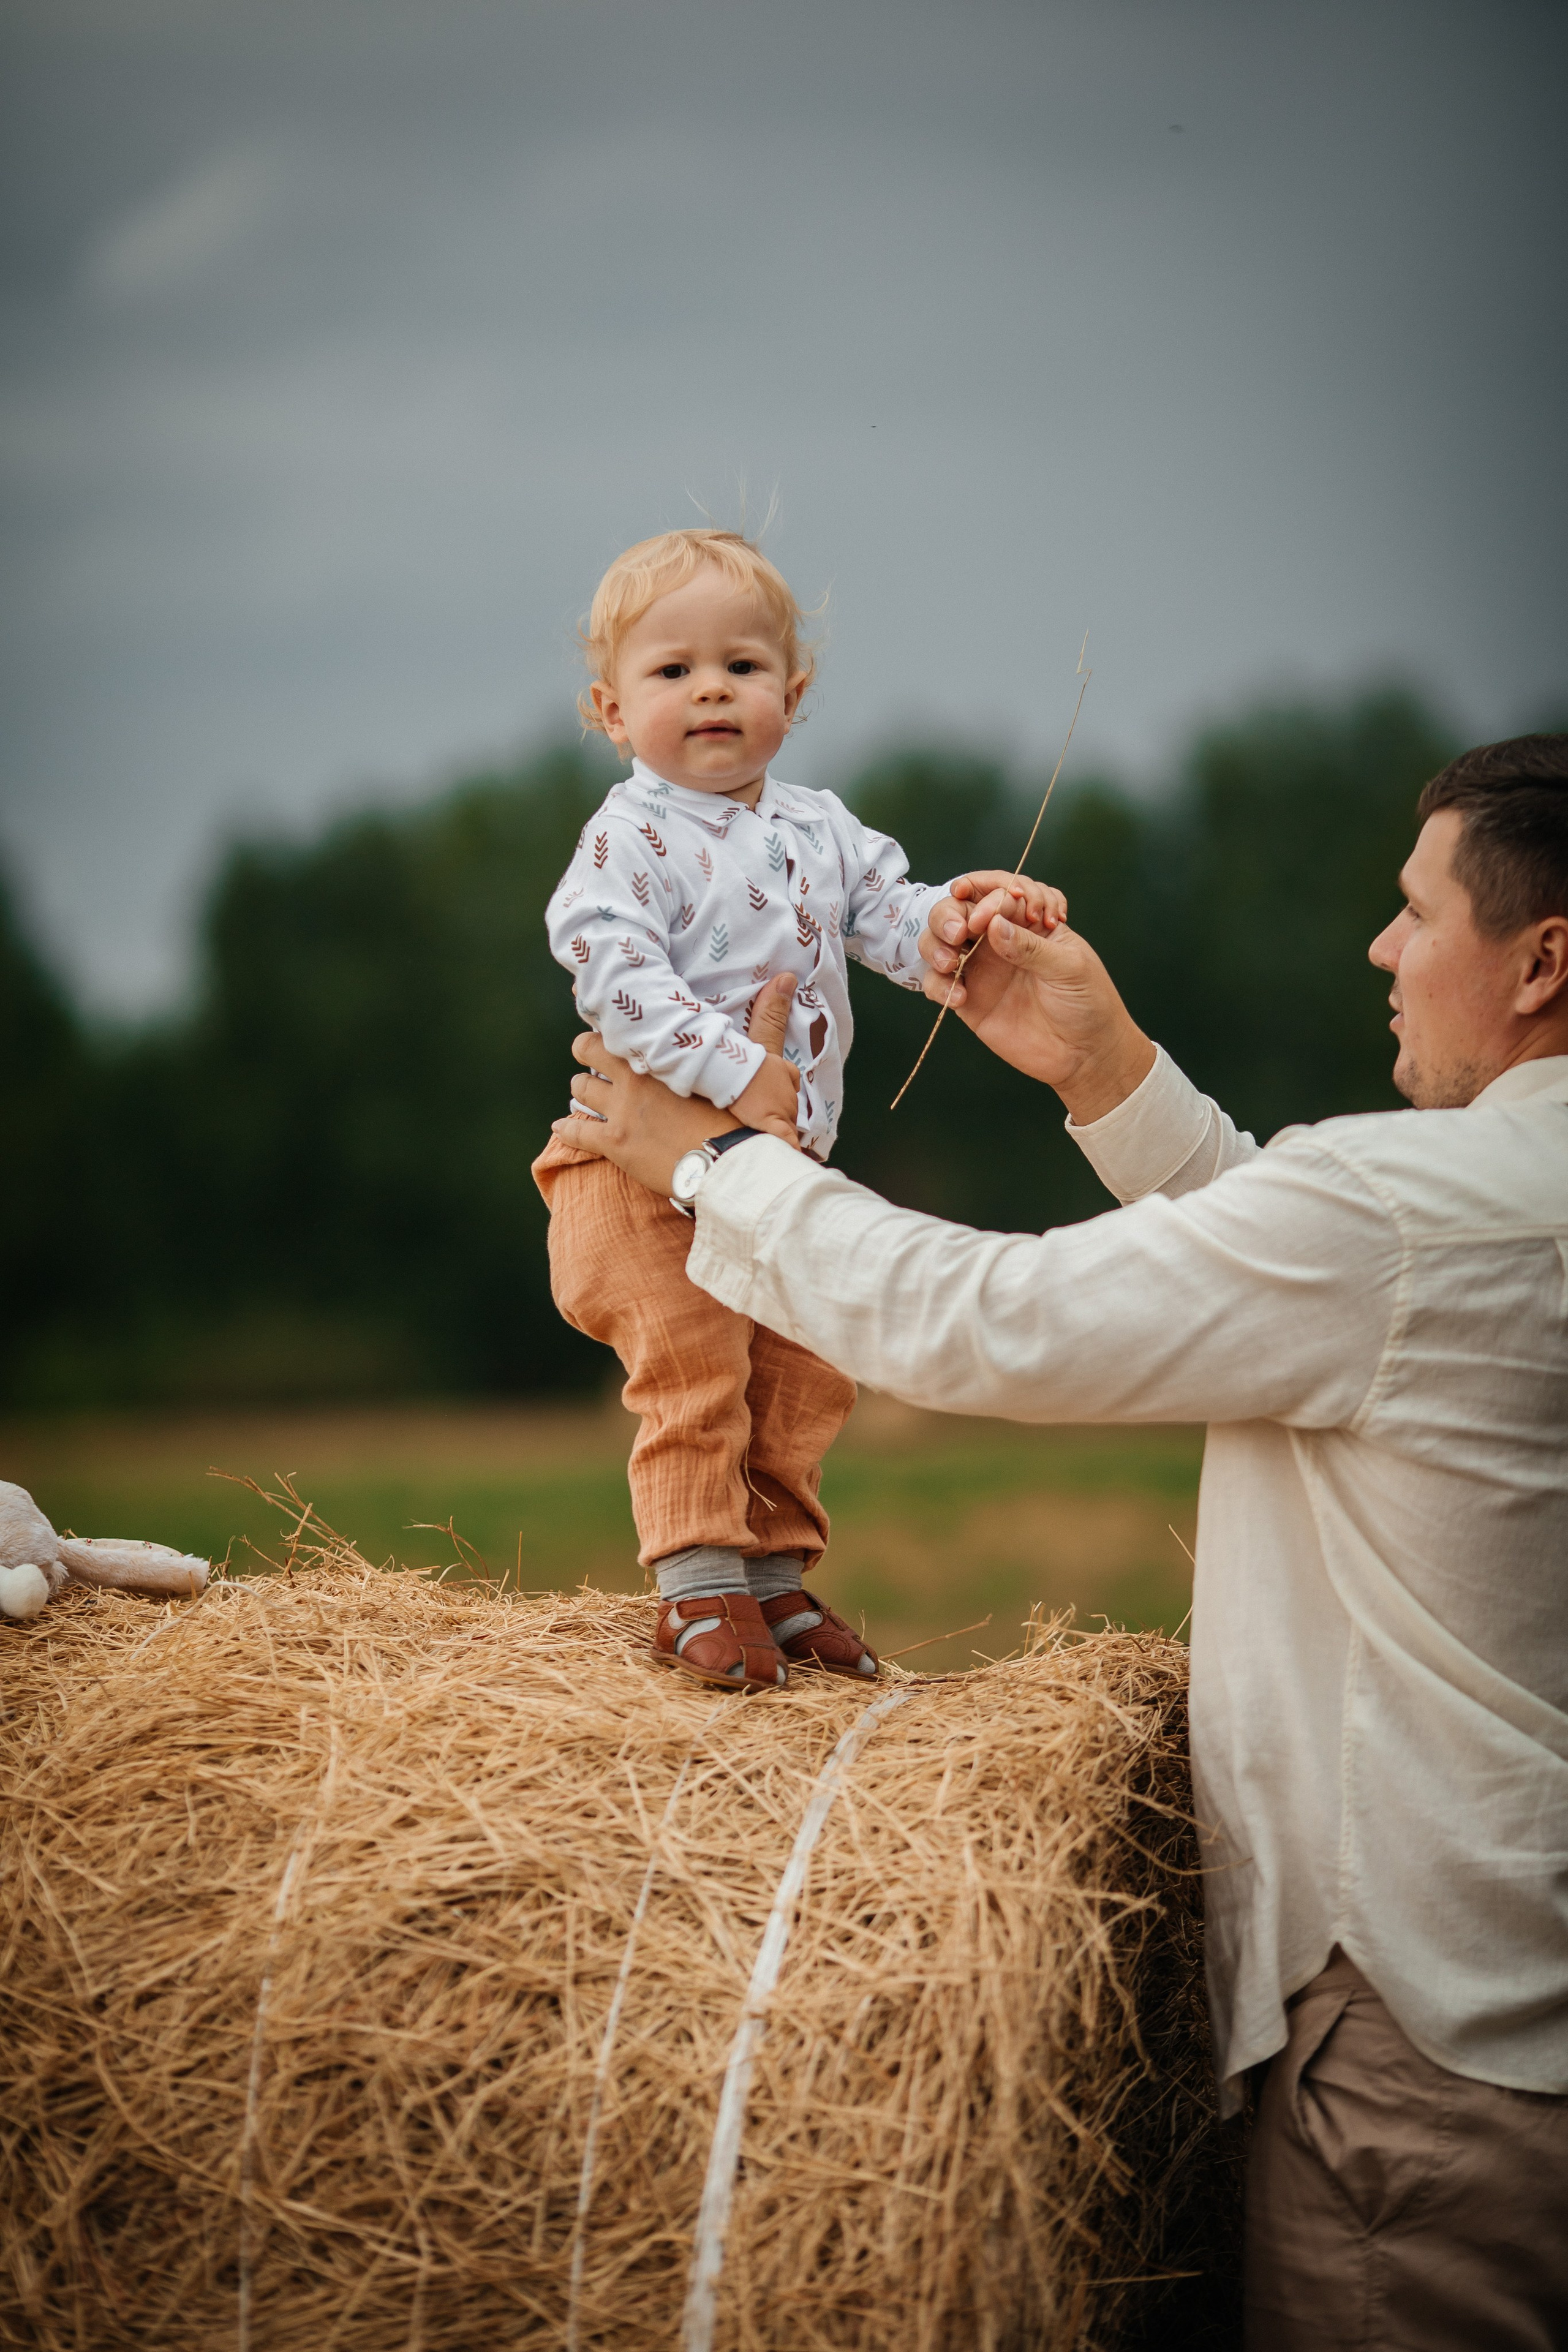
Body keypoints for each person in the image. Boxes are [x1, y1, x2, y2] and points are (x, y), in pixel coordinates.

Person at [552, 733, 1568, 2351]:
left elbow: (994, 1324)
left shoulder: (1415, 1209)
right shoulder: (1484, 1212)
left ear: (1543, 959)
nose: (1383, 947)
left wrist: (713, 1165)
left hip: (1436, 2072)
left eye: (1415, 909)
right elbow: (1335, 1298)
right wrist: (1107, 1071)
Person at [533, 527, 1063, 1694]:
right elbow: (608, 971)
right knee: (695, 1361)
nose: (710, 687)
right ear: (612, 712)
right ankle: (693, 1581)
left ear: (794, 694)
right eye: (671, 672)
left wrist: (954, 924)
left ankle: (771, 1579)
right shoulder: (630, 836)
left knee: (808, 1366)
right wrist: (731, 1069)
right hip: (636, 1168)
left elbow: (890, 913)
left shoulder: (819, 828)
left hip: (777, 1173)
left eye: (742, 665)